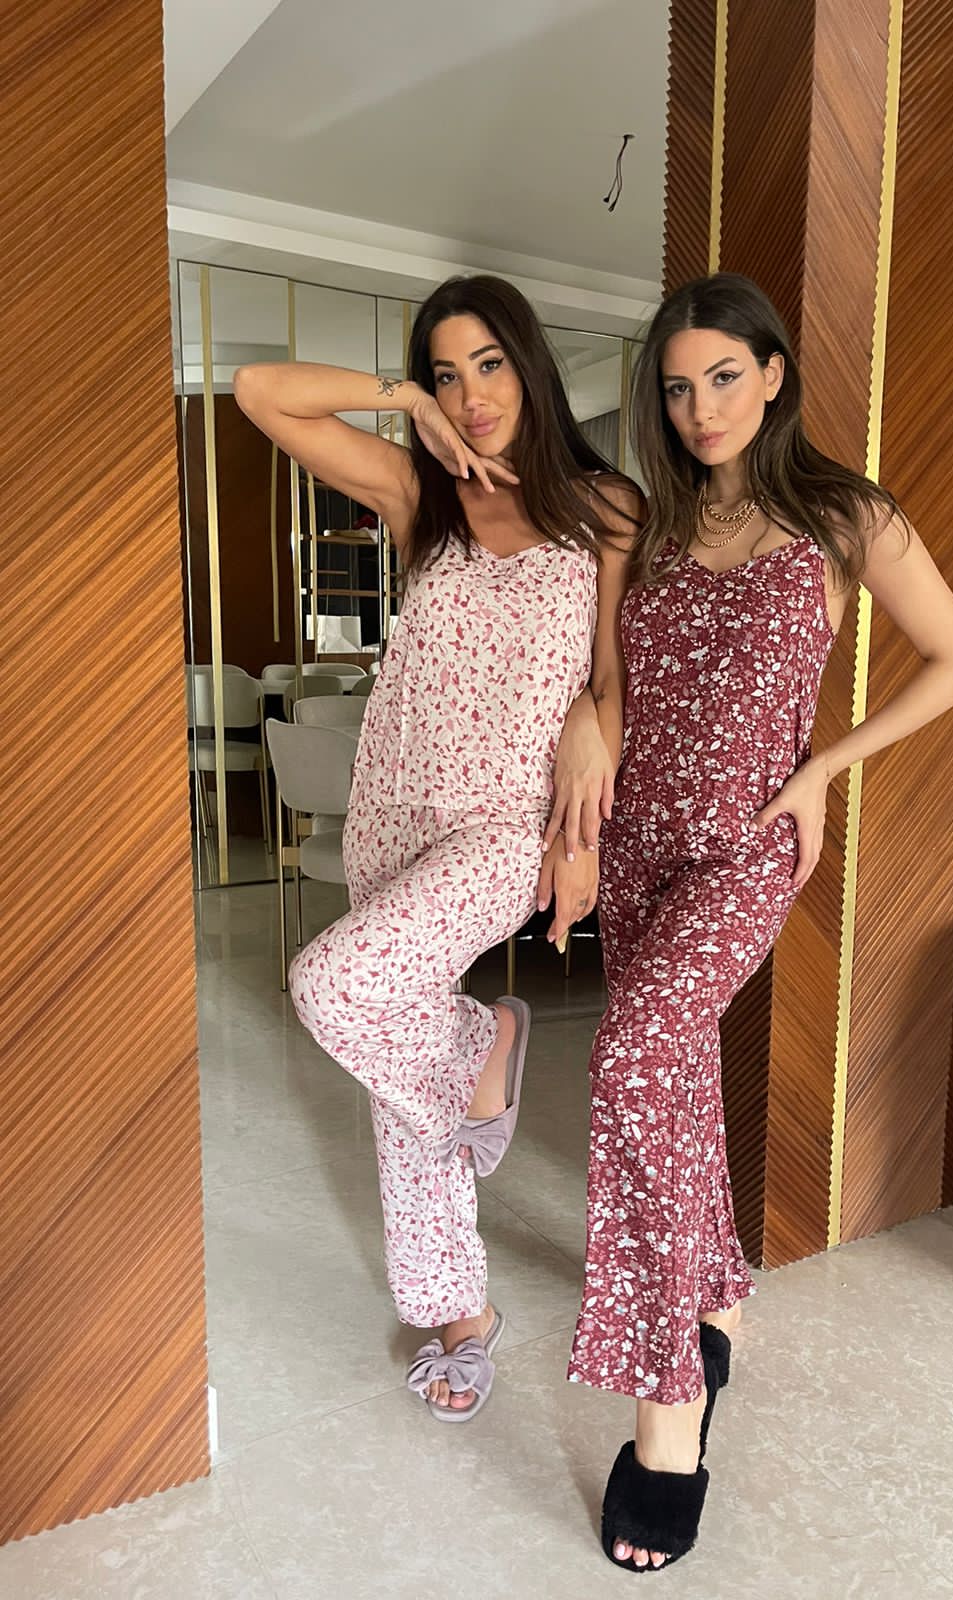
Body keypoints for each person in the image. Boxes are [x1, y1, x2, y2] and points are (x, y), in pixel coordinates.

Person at [551, 273, 953, 1570]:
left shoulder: (846, 517)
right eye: (677, 389)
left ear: (774, 373)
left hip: (750, 843)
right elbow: (610, 685)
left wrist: (822, 769)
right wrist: (583, 740)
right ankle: (721, 1296)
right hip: (635, 842)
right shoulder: (649, 523)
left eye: (723, 378)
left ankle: (669, 1410)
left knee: (631, 1061)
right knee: (672, 1077)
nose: (699, 409)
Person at [233, 274, 639, 1423]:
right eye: (448, 372)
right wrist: (398, 396)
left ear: (531, 364)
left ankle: (479, 1034)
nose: (473, 393)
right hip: (393, 808)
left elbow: (612, 680)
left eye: (488, 365)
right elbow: (260, 390)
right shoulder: (425, 494)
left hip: (507, 820)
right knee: (392, 1058)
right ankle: (456, 1307)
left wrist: (580, 826)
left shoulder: (607, 508)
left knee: (335, 986)